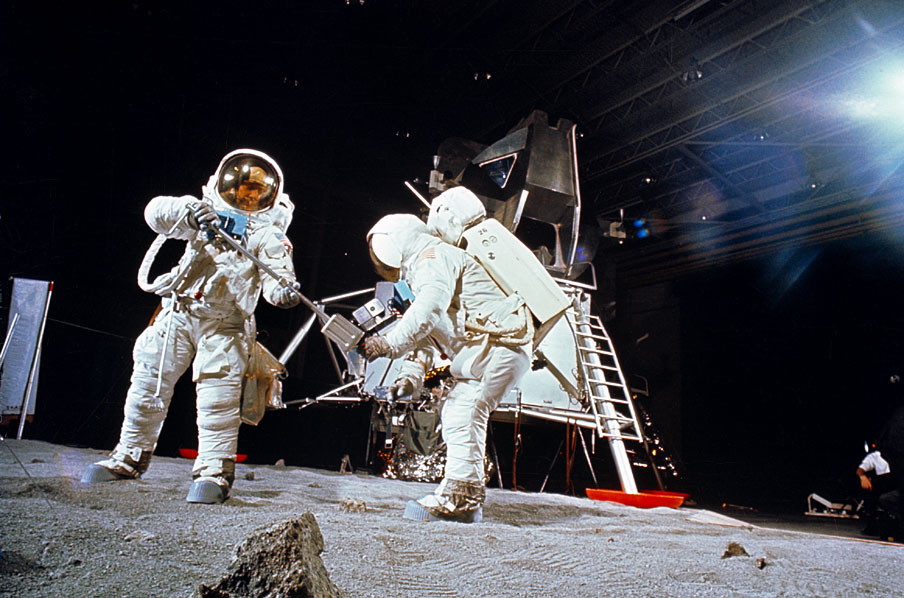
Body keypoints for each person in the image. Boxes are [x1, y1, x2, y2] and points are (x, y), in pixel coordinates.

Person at [81, 149, 301, 504]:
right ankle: (129, 456)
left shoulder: (267, 234)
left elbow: (278, 277)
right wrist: (188, 212)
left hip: (225, 324)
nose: (247, 195)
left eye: (256, 191)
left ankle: (214, 472)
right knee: (149, 381)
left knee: (218, 397)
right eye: (243, 187)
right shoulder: (202, 212)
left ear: (269, 196)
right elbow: (155, 213)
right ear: (227, 183)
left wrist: (284, 293)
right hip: (180, 312)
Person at [362, 205, 533, 522]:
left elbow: (428, 310)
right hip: (493, 347)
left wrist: (389, 343)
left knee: (465, 410)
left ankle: (461, 502)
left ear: (395, 243)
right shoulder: (427, 268)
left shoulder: (433, 256)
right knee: (459, 410)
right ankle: (464, 499)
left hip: (502, 344)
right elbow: (427, 337)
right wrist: (410, 378)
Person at [855, 444, 892, 535]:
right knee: (870, 491)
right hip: (885, 485)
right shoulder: (875, 456)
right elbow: (860, 470)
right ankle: (872, 525)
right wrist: (863, 477)